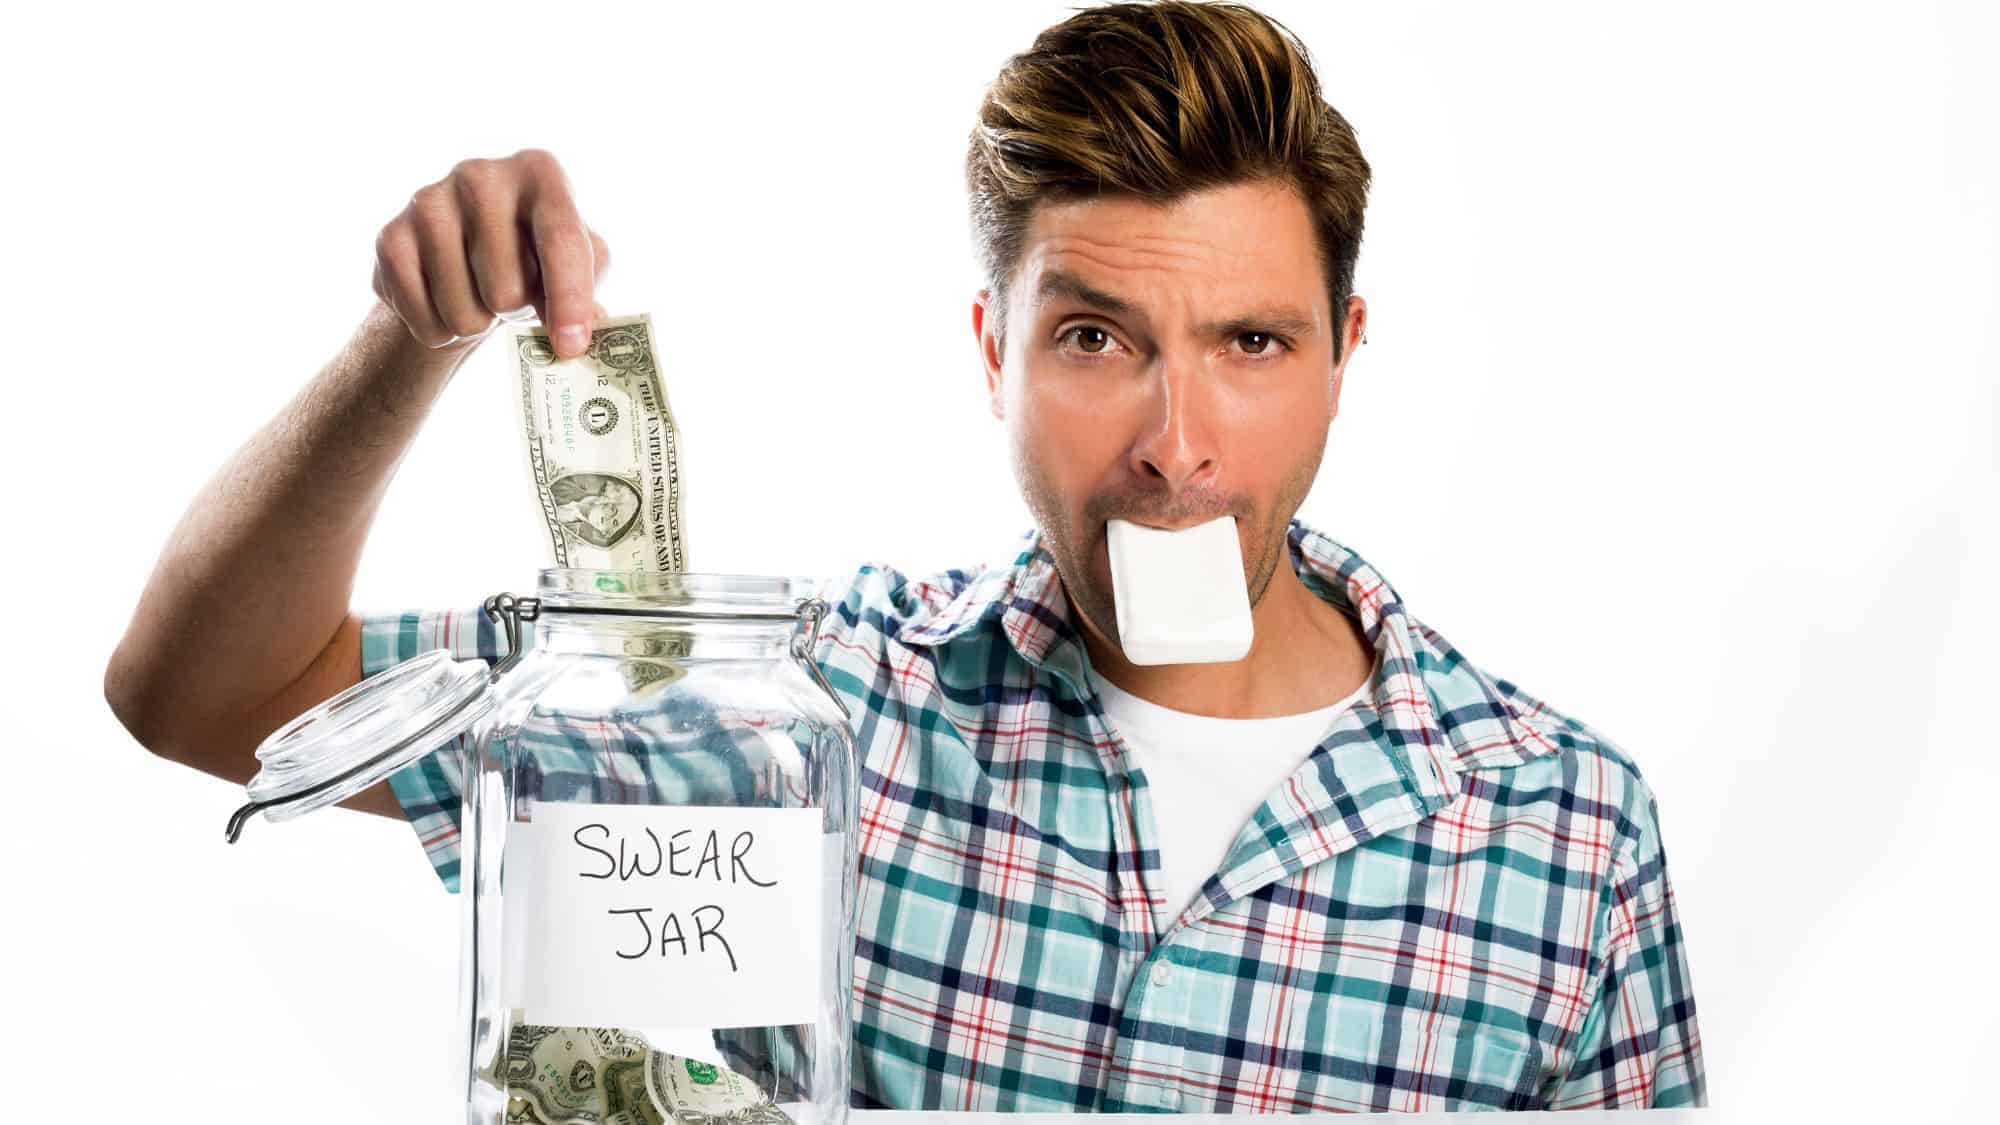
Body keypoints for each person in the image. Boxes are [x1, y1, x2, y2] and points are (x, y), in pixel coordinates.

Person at [104, 0, 1704, 1112]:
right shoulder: (797, 713)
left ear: (1344, 353)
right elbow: (208, 696)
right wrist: (412, 339)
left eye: (1252, 343)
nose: (1177, 445)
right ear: (993, 351)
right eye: (1095, 337)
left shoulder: (1566, 836)